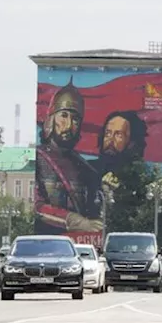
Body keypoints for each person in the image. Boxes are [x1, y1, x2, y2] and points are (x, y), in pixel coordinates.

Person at [35, 83, 104, 237]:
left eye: (75, 119)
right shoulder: (39, 157)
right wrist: (75, 221)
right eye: (64, 115)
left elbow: (94, 207)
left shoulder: (85, 167)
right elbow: (37, 206)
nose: (69, 124)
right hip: (50, 238)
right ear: (52, 118)